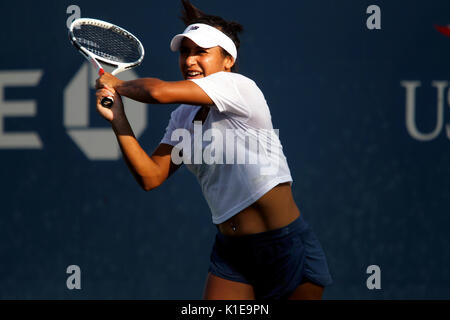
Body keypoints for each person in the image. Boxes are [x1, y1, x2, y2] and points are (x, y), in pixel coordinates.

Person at [95, 0, 332, 300]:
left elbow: (157, 92)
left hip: (285, 249)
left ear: (227, 60)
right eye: (185, 52)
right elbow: (151, 176)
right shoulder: (183, 117)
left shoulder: (238, 87)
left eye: (201, 52)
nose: (190, 60)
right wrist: (118, 118)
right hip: (232, 256)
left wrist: (117, 84)